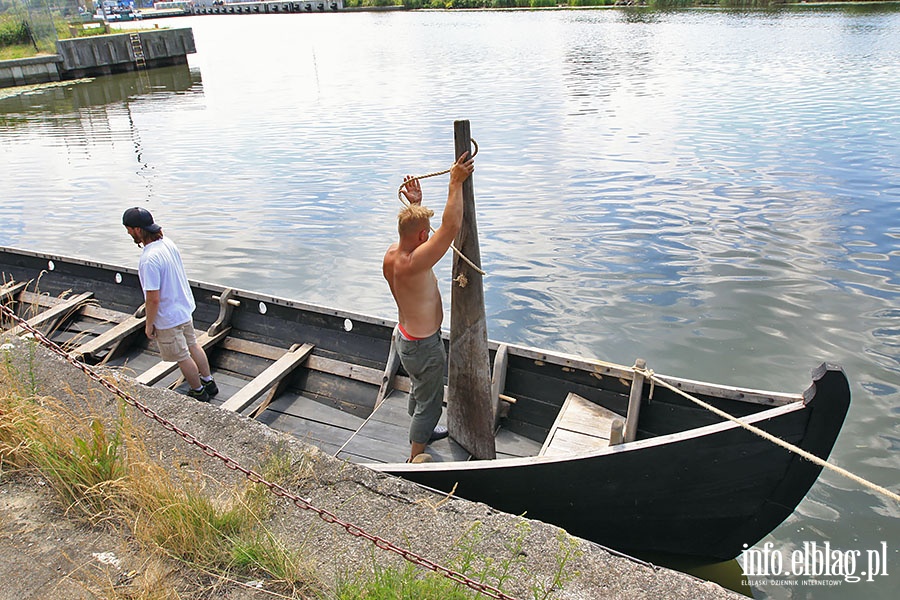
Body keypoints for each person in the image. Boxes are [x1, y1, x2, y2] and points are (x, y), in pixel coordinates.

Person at [382, 151, 475, 463]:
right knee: (432, 400)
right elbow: (450, 227)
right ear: (423, 237)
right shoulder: (415, 262)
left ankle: (419, 426)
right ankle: (416, 455)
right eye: (426, 232)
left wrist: (416, 203)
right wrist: (454, 182)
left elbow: (419, 232)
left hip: (406, 338)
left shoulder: (393, 255)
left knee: (421, 387)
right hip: (423, 346)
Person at [122, 207, 218, 402]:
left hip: (168, 316)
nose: (128, 233)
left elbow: (153, 298)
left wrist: (149, 324)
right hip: (183, 308)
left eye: (129, 229)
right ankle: (209, 381)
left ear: (138, 230)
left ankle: (198, 391)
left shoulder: (149, 259)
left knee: (182, 356)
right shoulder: (167, 243)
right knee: (193, 345)